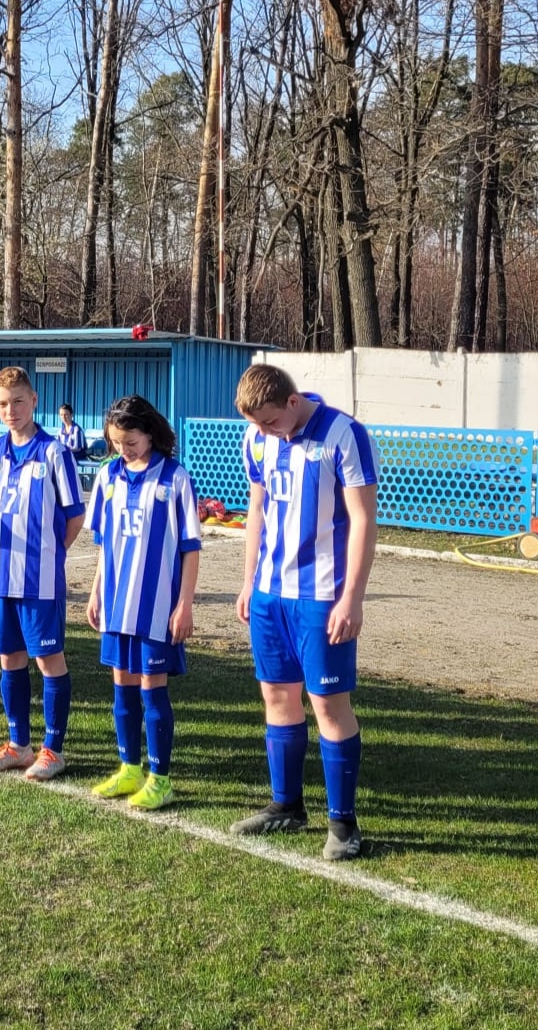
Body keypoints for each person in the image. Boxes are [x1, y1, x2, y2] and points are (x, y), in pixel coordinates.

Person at [231, 364, 378, 862]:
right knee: (276, 696)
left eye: (270, 421)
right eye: (256, 424)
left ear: (292, 402)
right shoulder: (257, 439)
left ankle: (343, 824)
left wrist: (352, 597)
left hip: (321, 596)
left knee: (328, 704)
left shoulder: (344, 433)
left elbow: (363, 519)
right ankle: (287, 805)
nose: (264, 431)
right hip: (270, 594)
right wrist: (249, 581)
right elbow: (256, 509)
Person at [84, 396, 202, 810]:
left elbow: (190, 548)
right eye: (116, 443)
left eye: (130, 442)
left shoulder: (174, 478)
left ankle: (160, 778)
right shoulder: (108, 477)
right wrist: (96, 590)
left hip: (157, 608)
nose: (123, 449)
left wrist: (184, 604)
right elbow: (104, 543)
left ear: (150, 433)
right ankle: (129, 768)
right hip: (117, 602)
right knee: (122, 686)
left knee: (153, 688)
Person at [0, 366, 85, 780]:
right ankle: (19, 745)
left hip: (40, 578)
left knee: (48, 659)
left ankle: (53, 749)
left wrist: (52, 554)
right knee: (10, 657)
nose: (11, 411)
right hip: (0, 576)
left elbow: (75, 515)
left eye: (18, 401)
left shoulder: (54, 452)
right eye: (3, 404)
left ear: (34, 401)